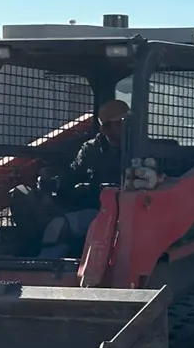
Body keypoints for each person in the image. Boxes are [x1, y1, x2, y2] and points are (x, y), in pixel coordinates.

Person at [8, 98, 128, 254]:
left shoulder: (139, 150)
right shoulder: (92, 149)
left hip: (119, 213)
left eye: (113, 124)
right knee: (22, 196)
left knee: (58, 227)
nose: (107, 130)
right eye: (105, 125)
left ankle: (46, 266)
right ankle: (38, 262)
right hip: (91, 207)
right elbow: (73, 174)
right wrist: (52, 183)